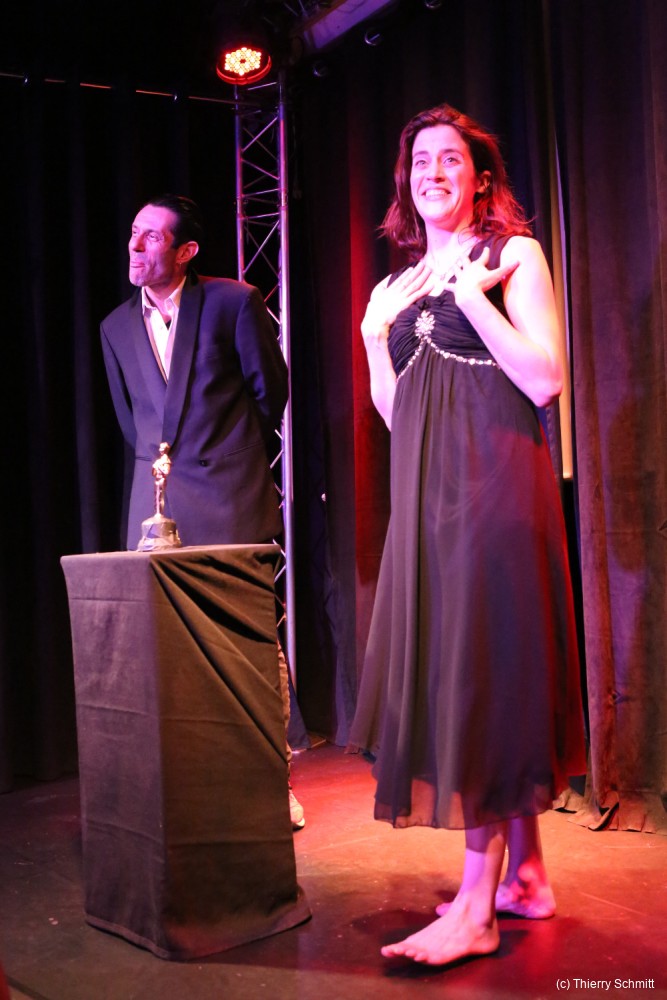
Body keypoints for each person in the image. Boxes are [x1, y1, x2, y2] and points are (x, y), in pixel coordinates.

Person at [349, 104, 587, 966]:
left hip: (494, 488)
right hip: (430, 498)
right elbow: (396, 412)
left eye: (449, 159)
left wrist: (473, 304)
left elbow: (545, 378)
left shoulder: (511, 254)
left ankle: (477, 911)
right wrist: (373, 340)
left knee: (480, 676)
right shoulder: (398, 284)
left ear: (480, 177)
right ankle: (527, 879)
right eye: (420, 162)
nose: (432, 174)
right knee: (475, 669)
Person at [100, 193, 304, 830]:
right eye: (134, 233)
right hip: (154, 512)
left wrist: (228, 458)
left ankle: (272, 783)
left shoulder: (232, 303)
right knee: (167, 659)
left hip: (230, 498)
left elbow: (271, 393)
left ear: (186, 250)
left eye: (152, 237)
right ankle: (195, 791)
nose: (136, 246)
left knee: (248, 645)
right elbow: (132, 420)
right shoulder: (114, 327)